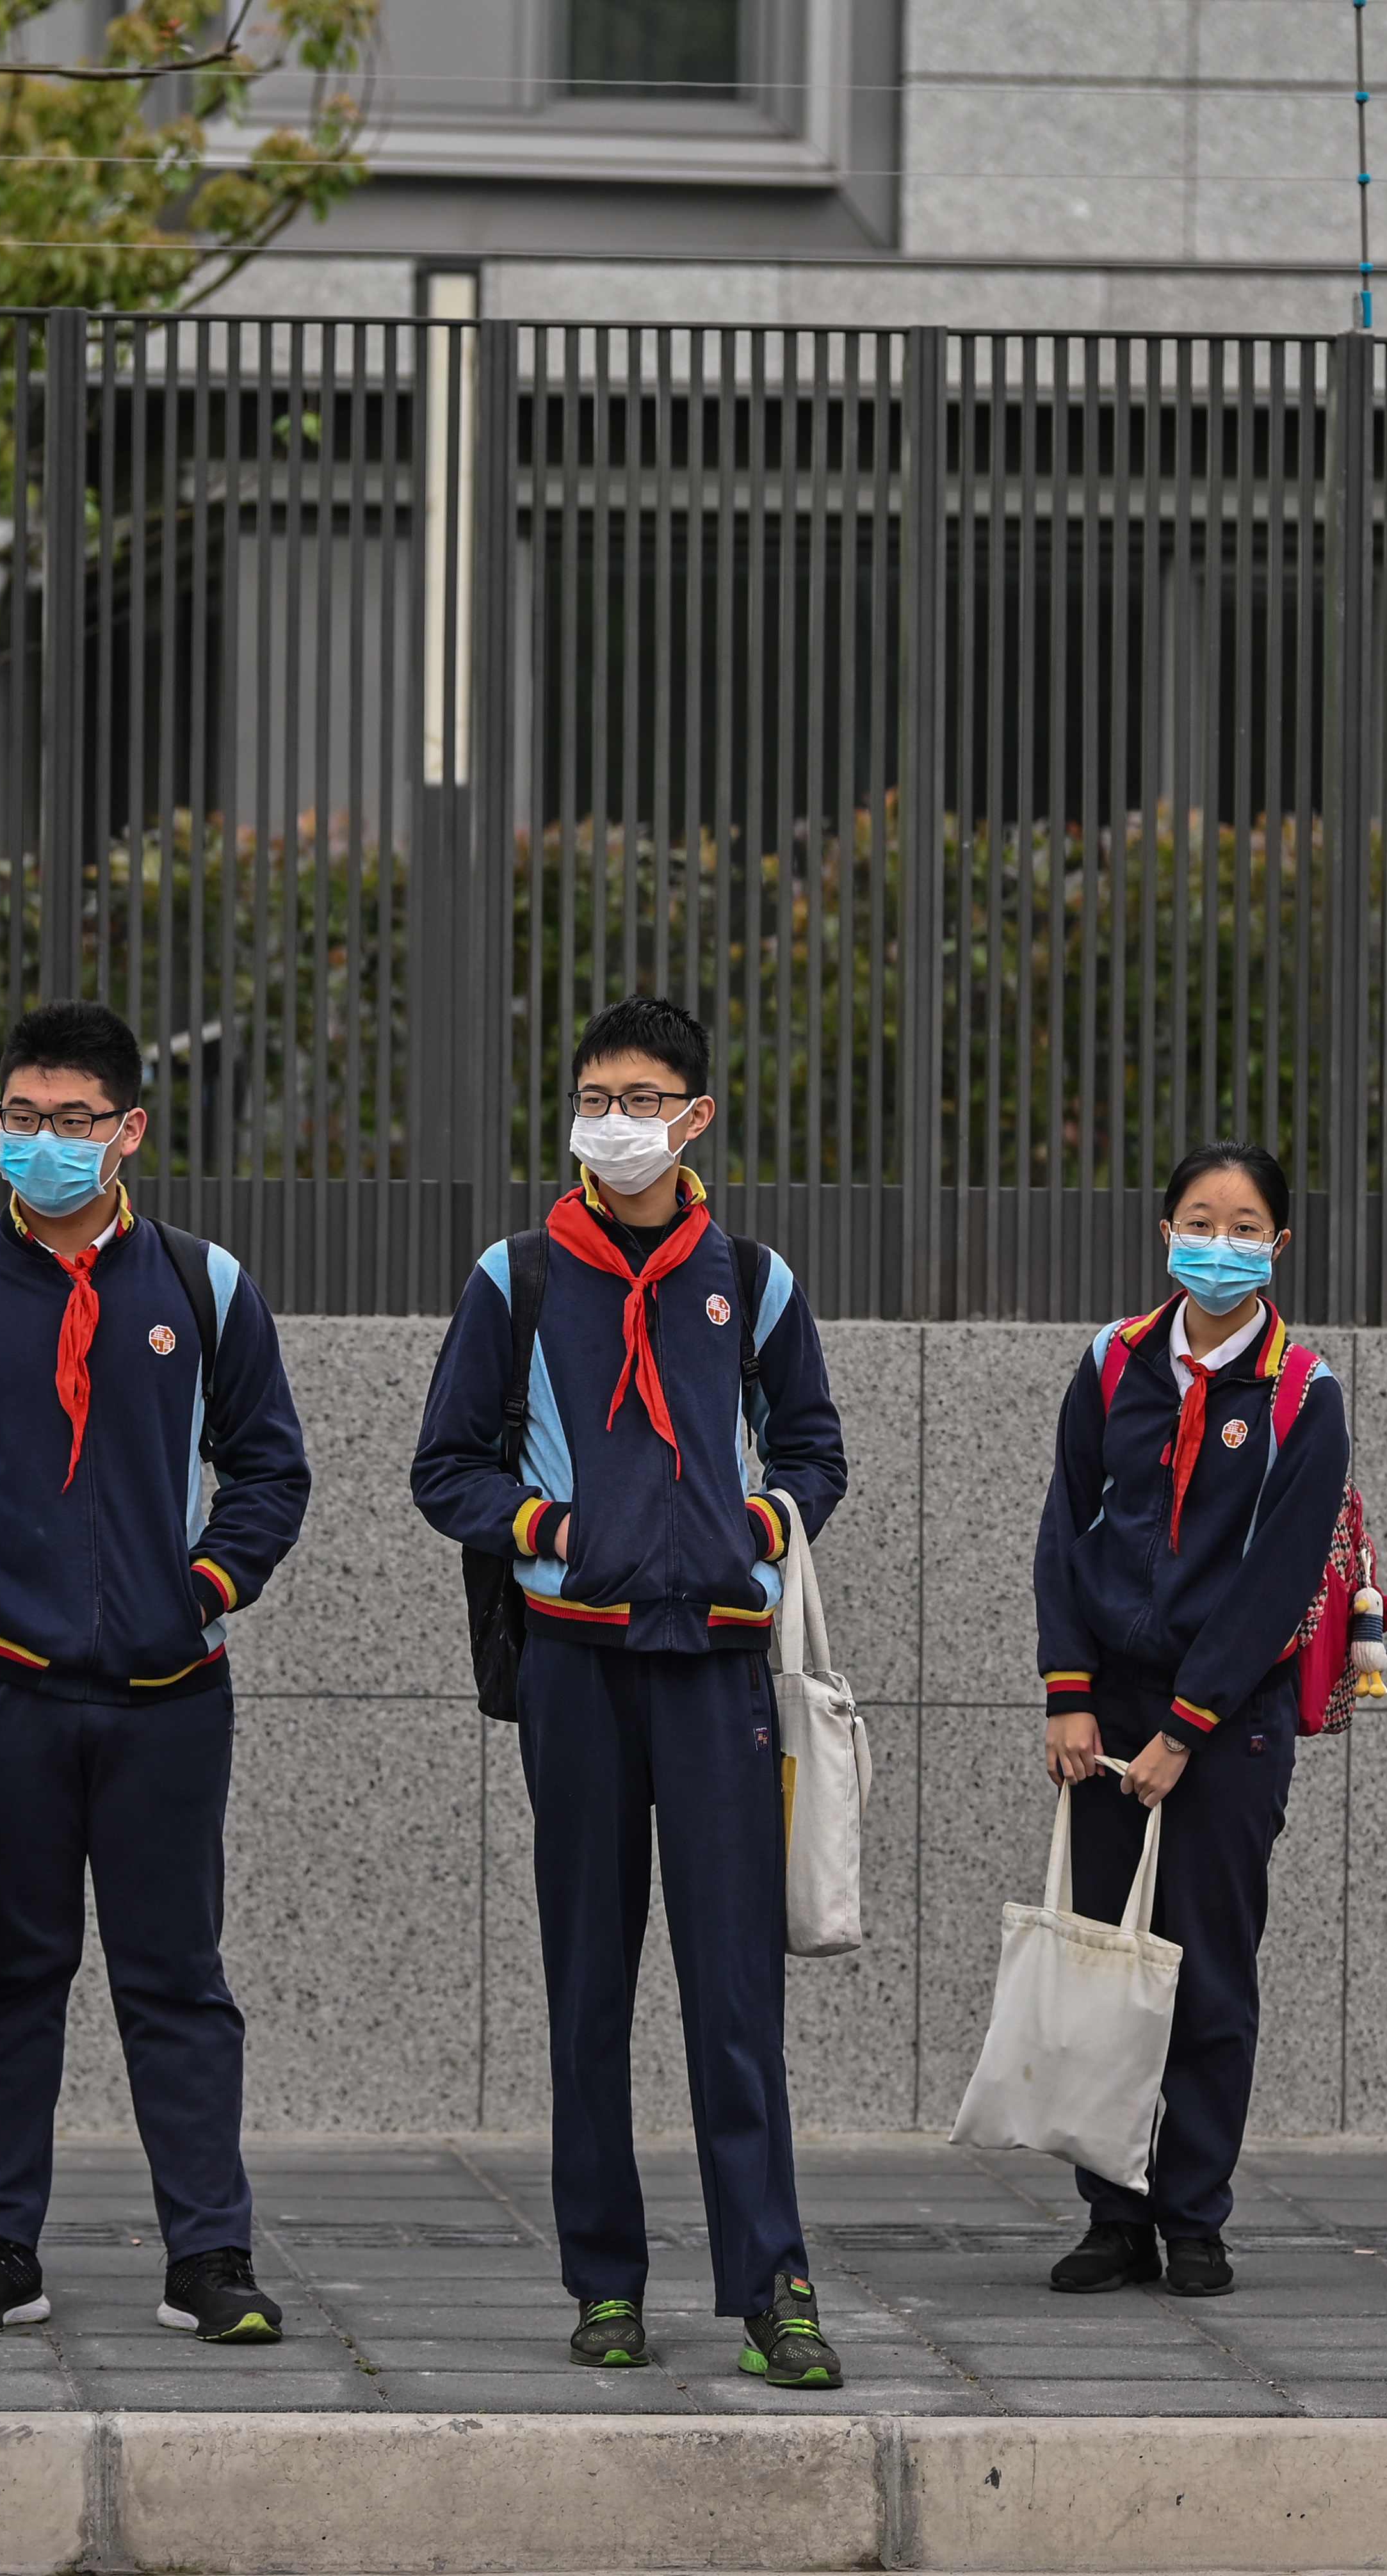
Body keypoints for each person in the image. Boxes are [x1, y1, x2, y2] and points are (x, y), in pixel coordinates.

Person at [0, 1001, 312, 2346]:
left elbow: (272, 1468)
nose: (43, 1141)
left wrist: (202, 1587)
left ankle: (210, 2257)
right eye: (21, 1117)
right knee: (6, 1980)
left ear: (129, 1130)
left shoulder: (203, 1289)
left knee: (179, 1984)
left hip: (168, 1703)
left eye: (73, 1119)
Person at [409, 995, 854, 2387]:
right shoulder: (520, 1278)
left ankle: (773, 2286)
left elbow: (819, 1446)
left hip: (720, 1669)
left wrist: (763, 1526)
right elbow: (446, 1468)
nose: (617, 1120)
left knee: (735, 1997)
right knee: (588, 1990)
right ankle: (605, 2282)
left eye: (645, 1096)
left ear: (697, 1117)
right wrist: (547, 1530)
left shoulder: (757, 1276)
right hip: (577, 1668)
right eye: (598, 1094)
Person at [1026, 1142, 1352, 2299]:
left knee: (1210, 1973)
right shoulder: (1113, 1364)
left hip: (1229, 1723)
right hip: (1103, 1713)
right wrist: (1069, 1691)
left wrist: (1185, 1728)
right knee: (1107, 1970)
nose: (1220, 1243)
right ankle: (1112, 2216)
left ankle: (1194, 2214)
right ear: (1164, 1232)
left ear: (1279, 1246)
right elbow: (1067, 1526)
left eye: (1245, 1224)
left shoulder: (1305, 1392)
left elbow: (1278, 1582)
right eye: (1200, 1221)